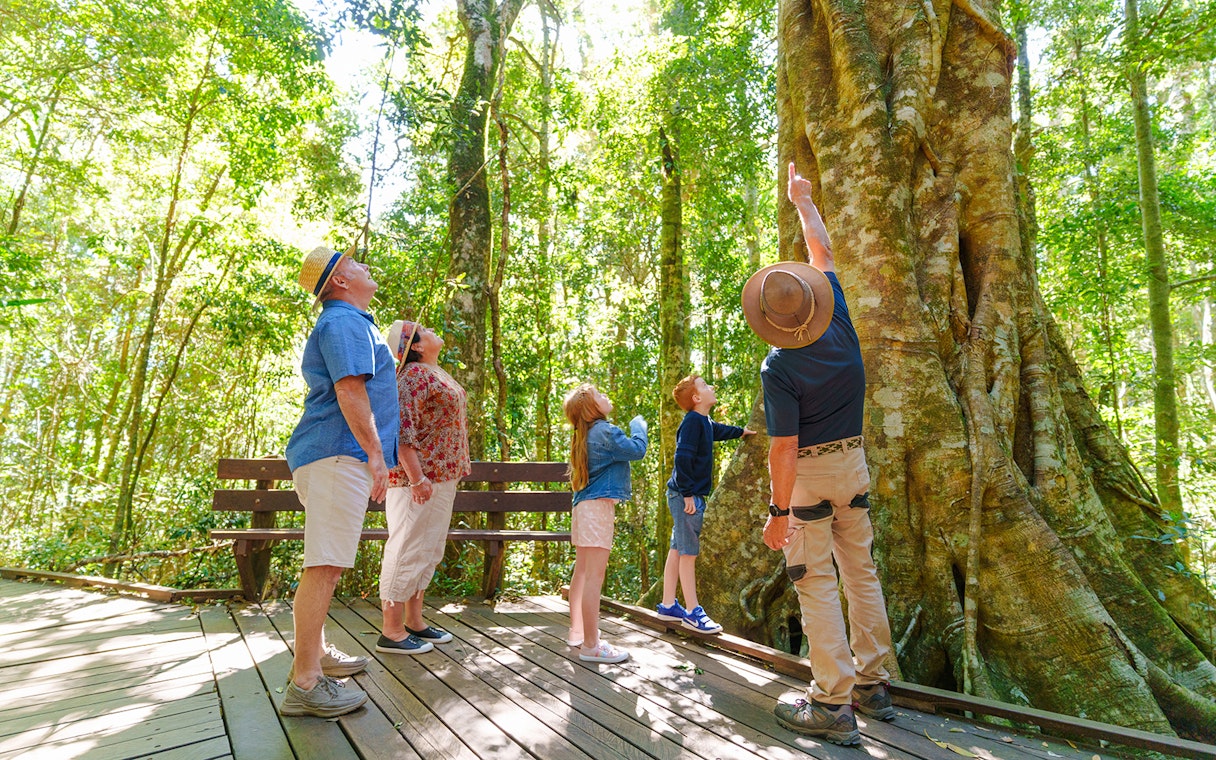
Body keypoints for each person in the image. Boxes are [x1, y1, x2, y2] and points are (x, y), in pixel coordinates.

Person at [749, 162, 896, 745]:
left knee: (813, 578)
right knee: (860, 570)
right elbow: (824, 251)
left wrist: (777, 512)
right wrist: (803, 202)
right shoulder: (838, 319)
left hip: (807, 476)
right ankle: (873, 683)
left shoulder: (779, 366)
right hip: (853, 464)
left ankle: (832, 703)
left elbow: (783, 446)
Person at [281, 244, 399, 718]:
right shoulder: (344, 322)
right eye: (354, 263)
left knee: (327, 562)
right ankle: (306, 683)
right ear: (340, 281)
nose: (364, 265)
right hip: (337, 453)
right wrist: (375, 455)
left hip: (332, 455)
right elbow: (350, 390)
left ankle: (320, 657)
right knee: (326, 565)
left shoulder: (352, 321)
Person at [377, 320, 471, 655]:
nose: (432, 331)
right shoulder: (413, 376)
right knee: (406, 547)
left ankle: (415, 621)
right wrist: (417, 478)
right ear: (415, 346)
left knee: (429, 549)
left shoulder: (434, 372)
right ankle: (391, 629)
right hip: (418, 480)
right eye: (424, 330)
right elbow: (404, 430)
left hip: (441, 476)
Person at [656, 375, 754, 633]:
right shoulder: (691, 423)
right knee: (689, 554)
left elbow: (718, 430)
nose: (711, 387)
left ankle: (668, 604)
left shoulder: (703, 422)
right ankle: (692, 612)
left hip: (681, 495)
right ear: (697, 398)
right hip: (685, 496)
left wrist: (741, 432)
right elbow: (682, 459)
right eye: (704, 385)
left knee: (678, 549)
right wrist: (688, 494)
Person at [563, 383, 648, 664]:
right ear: (591, 407)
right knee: (593, 578)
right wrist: (640, 426)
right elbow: (636, 450)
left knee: (582, 573)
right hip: (597, 510)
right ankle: (591, 645)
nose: (606, 395)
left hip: (583, 508)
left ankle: (579, 633)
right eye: (600, 394)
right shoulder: (606, 432)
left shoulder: (586, 434)